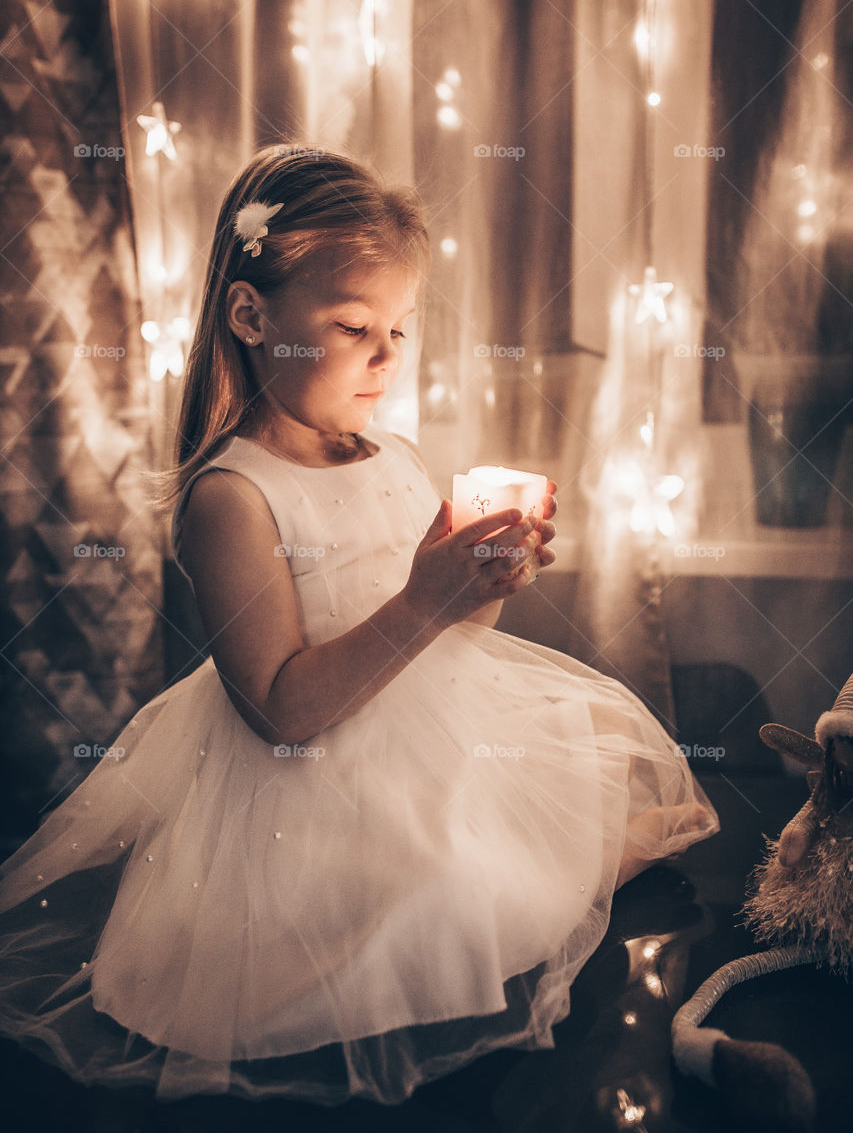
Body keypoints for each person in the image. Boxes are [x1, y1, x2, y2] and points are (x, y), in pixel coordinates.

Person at [0, 143, 719, 1106]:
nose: (385, 355)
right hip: (300, 787)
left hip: (427, 732)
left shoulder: (390, 452)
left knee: (502, 837)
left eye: (400, 329)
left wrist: (481, 582)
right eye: (352, 326)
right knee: (441, 894)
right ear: (253, 316)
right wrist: (425, 596)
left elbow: (452, 635)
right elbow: (283, 712)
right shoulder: (235, 497)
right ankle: (571, 866)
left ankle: (576, 860)